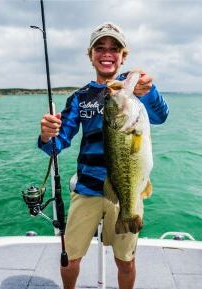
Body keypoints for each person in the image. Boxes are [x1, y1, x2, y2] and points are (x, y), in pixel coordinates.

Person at [38, 22, 169, 289]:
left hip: (125, 192)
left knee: (126, 261)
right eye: (100, 48)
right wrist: (46, 136)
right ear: (91, 55)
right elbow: (56, 145)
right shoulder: (80, 97)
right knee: (70, 259)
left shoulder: (134, 93)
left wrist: (149, 91)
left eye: (114, 48)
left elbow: (160, 116)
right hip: (87, 189)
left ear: (123, 56)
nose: (107, 53)